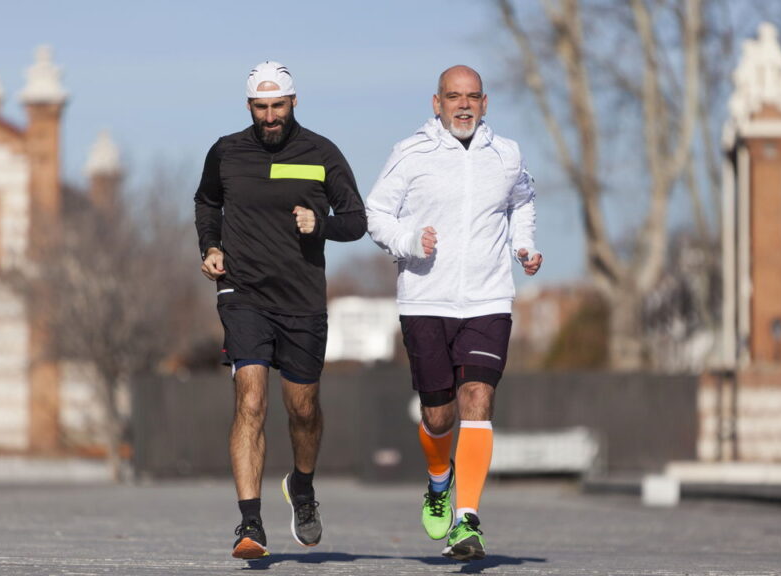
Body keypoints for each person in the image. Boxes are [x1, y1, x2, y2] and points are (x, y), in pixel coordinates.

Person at [366, 65, 541, 562]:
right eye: (452, 97)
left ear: (485, 104)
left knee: (477, 398)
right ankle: (439, 480)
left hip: (488, 299)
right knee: (438, 414)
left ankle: (467, 520)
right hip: (425, 299)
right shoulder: (410, 153)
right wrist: (408, 242)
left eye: (472, 97)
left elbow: (523, 201)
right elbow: (376, 212)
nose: (463, 105)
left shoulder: (506, 155)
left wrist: (523, 246)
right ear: (436, 103)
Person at [194, 60, 366, 560]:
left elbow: (356, 219)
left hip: (302, 300)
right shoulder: (225, 152)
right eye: (261, 107)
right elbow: (206, 201)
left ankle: (304, 489)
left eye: (278, 106)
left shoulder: (321, 152)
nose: (270, 117)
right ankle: (250, 524)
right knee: (250, 400)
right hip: (242, 293)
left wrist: (322, 223)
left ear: (294, 103)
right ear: (249, 106)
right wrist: (210, 246)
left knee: (303, 410)